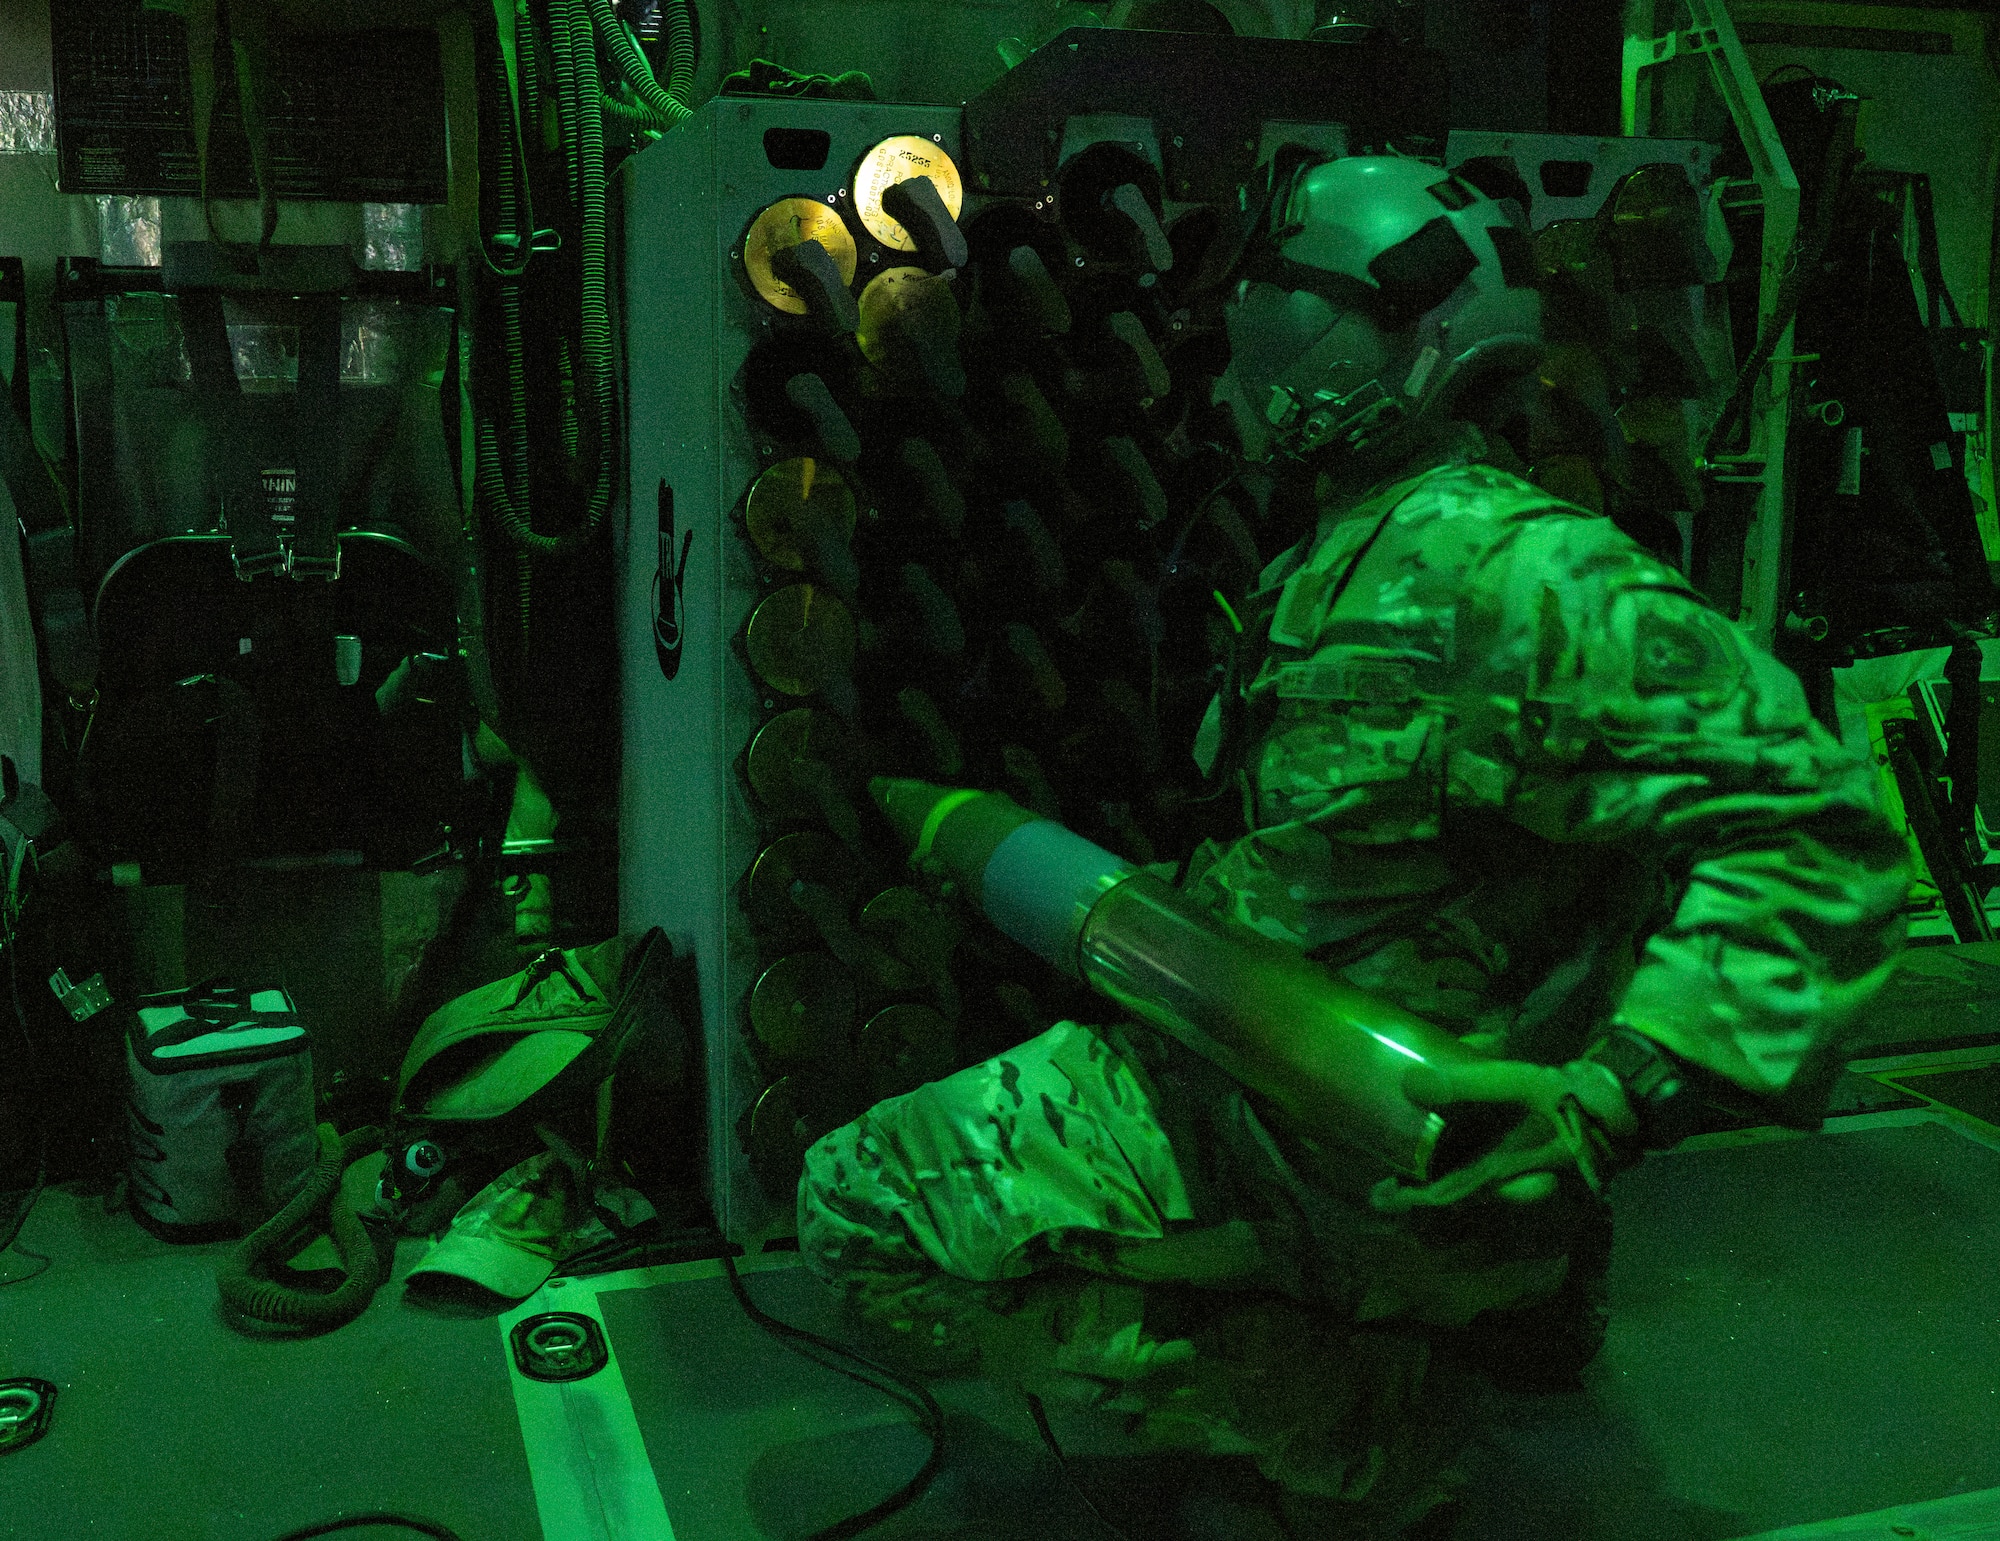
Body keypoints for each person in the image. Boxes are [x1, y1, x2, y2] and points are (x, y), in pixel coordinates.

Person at [795, 152, 1913, 1539]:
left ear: (1389, 337)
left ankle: (1342, 1416)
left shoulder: (1503, 566)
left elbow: (1828, 828)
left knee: (853, 1208)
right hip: (1330, 1097)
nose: (1249, 360)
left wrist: (1618, 1093)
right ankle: (1445, 1325)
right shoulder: (1360, 550)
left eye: (1277, 319)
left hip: (1349, 1134)